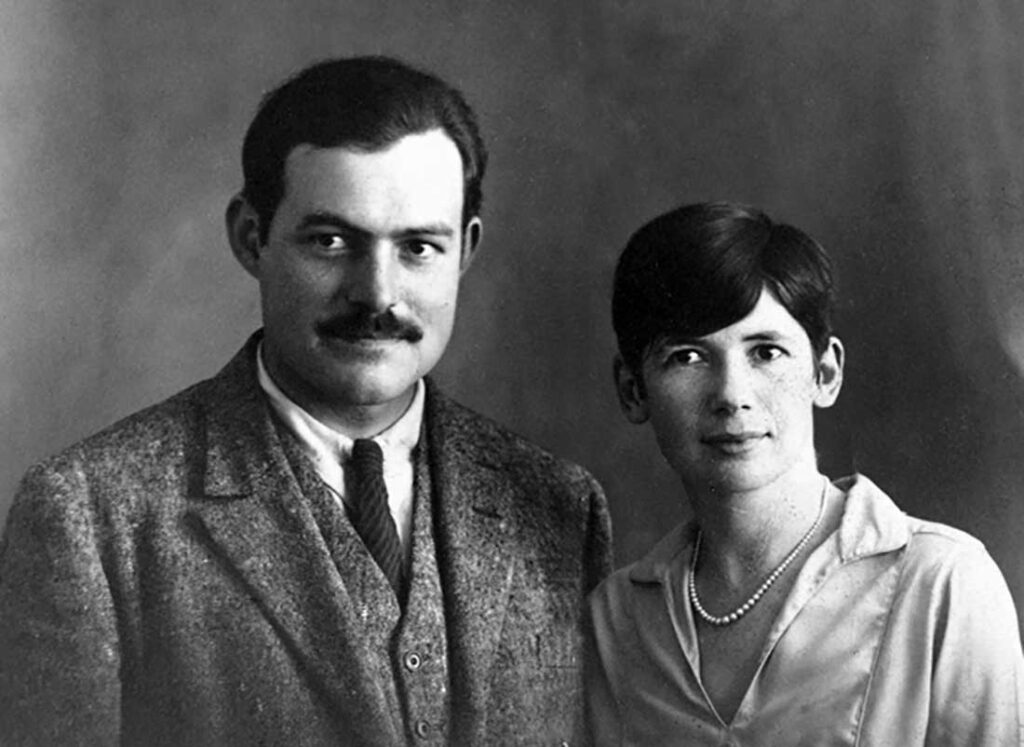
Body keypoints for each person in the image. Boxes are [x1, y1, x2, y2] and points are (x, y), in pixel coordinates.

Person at [0, 56, 612, 746]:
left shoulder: (560, 508)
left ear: (464, 250)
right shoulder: (91, 515)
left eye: (418, 247)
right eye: (331, 242)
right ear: (250, 238)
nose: (377, 294)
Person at [585, 201, 1023, 745]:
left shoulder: (940, 584)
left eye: (766, 352)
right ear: (633, 390)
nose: (732, 396)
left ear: (825, 372)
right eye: (688, 358)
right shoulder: (616, 620)